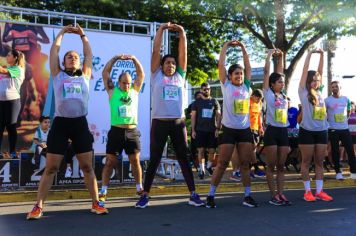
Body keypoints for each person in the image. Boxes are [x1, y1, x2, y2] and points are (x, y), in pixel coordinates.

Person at [26, 24, 107, 220]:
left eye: (75, 57)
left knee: (87, 167)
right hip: (61, 125)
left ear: (80, 63)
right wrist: (61, 33)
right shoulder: (58, 75)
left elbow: (88, 54)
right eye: (69, 57)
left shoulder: (85, 75)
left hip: (80, 124)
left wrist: (83, 36)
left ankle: (96, 202)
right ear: (63, 62)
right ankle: (38, 206)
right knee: (52, 168)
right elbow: (54, 51)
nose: (73, 58)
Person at [135, 22, 205, 208]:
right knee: (155, 158)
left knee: (184, 158)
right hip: (159, 122)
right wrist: (161, 30)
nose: (171, 65)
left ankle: (193, 194)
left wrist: (182, 33)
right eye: (167, 62)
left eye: (173, 63)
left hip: (178, 124)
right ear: (162, 65)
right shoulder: (156, 74)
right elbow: (156, 50)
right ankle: (145, 195)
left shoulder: (180, 76)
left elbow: (183, 54)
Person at [206, 40, 258, 208]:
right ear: (229, 76)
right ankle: (210, 195)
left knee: (244, 164)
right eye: (236, 74)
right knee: (221, 164)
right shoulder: (226, 85)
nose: (239, 76)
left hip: (244, 131)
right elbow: (221, 64)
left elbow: (248, 67)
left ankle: (247, 196)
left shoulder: (247, 87)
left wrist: (243, 48)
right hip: (228, 130)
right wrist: (226, 46)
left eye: (241, 74)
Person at [98, 53, 145, 207]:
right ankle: (103, 191)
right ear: (119, 82)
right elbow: (105, 73)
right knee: (110, 162)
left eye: (128, 83)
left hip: (132, 131)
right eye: (124, 83)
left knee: (135, 160)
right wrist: (115, 59)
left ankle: (139, 188)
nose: (126, 86)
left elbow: (141, 74)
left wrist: (134, 59)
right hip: (116, 131)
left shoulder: (135, 90)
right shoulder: (113, 91)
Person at [298, 49, 333, 202]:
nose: (316, 82)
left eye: (317, 80)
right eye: (312, 80)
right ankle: (307, 191)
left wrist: (322, 55)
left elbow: (320, 71)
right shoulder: (303, 91)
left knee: (319, 161)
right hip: (307, 131)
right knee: (306, 162)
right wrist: (309, 54)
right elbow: (306, 71)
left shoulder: (320, 92)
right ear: (307, 81)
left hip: (322, 131)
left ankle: (319, 191)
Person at [263, 49, 291, 206]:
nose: (282, 83)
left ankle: (281, 194)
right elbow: (268, 72)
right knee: (271, 165)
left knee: (281, 166)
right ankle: (273, 195)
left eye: (283, 82)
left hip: (283, 131)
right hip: (272, 131)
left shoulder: (284, 96)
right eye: (279, 82)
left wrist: (281, 57)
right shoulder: (268, 93)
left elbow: (281, 71)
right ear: (272, 84)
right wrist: (269, 56)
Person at [230, 89, 266, 181]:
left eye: (260, 99)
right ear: (253, 96)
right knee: (247, 150)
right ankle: (251, 169)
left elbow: (259, 116)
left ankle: (250, 169)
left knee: (252, 149)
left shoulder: (260, 103)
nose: (258, 101)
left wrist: (260, 127)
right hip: (247, 128)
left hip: (255, 128)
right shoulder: (247, 101)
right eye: (257, 99)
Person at [325, 81, 356, 179]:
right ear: (331, 89)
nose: (334, 88)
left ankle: (353, 172)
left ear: (340, 87)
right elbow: (324, 113)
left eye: (336, 86)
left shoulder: (346, 99)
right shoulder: (327, 100)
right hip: (333, 129)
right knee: (335, 151)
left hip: (344, 128)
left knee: (350, 150)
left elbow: (348, 111)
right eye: (332, 87)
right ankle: (338, 172)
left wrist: (344, 120)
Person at [191, 82, 221, 179]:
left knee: (212, 150)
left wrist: (218, 128)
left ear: (210, 90)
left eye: (207, 89)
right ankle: (202, 169)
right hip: (200, 130)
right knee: (201, 150)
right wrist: (193, 130)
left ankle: (208, 166)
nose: (206, 90)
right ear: (201, 90)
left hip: (212, 130)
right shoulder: (196, 102)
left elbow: (218, 115)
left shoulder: (214, 101)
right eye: (204, 89)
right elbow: (193, 117)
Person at [0, 49, 25, 158]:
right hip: (1, 102)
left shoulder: (19, 69)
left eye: (9, 55)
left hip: (12, 101)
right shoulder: (7, 68)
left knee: (11, 126)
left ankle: (13, 151)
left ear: (15, 58)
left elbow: (3, 72)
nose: (7, 56)